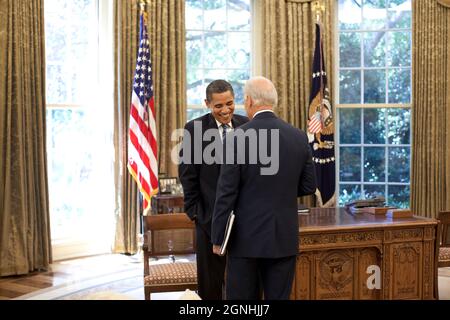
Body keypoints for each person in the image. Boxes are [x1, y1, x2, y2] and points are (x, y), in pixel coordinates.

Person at [211, 76, 317, 300]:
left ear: (249, 101)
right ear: (274, 101)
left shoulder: (236, 138)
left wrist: (218, 237)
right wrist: (283, 189)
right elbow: (309, 185)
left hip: (245, 240)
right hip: (283, 239)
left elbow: (226, 194)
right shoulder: (299, 137)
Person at [178, 79, 248, 300]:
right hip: (208, 218)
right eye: (218, 106)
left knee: (242, 281)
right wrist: (196, 212)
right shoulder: (194, 129)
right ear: (207, 104)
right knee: (210, 283)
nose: (225, 110)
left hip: (244, 220)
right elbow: (187, 175)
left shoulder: (247, 125)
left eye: (229, 103)